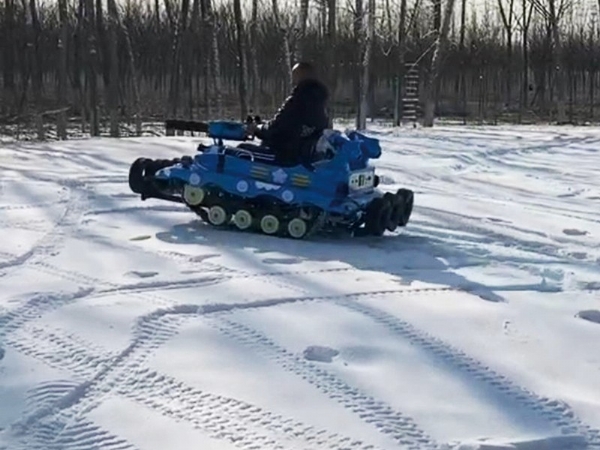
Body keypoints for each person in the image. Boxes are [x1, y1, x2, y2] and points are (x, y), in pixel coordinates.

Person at [243, 62, 330, 166]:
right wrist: (262, 125)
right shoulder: (321, 102)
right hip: (302, 155)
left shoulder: (298, 100)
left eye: (294, 76)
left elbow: (274, 129)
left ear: (300, 76)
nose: (293, 81)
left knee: (240, 151)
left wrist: (256, 128)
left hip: (284, 155)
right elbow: (287, 124)